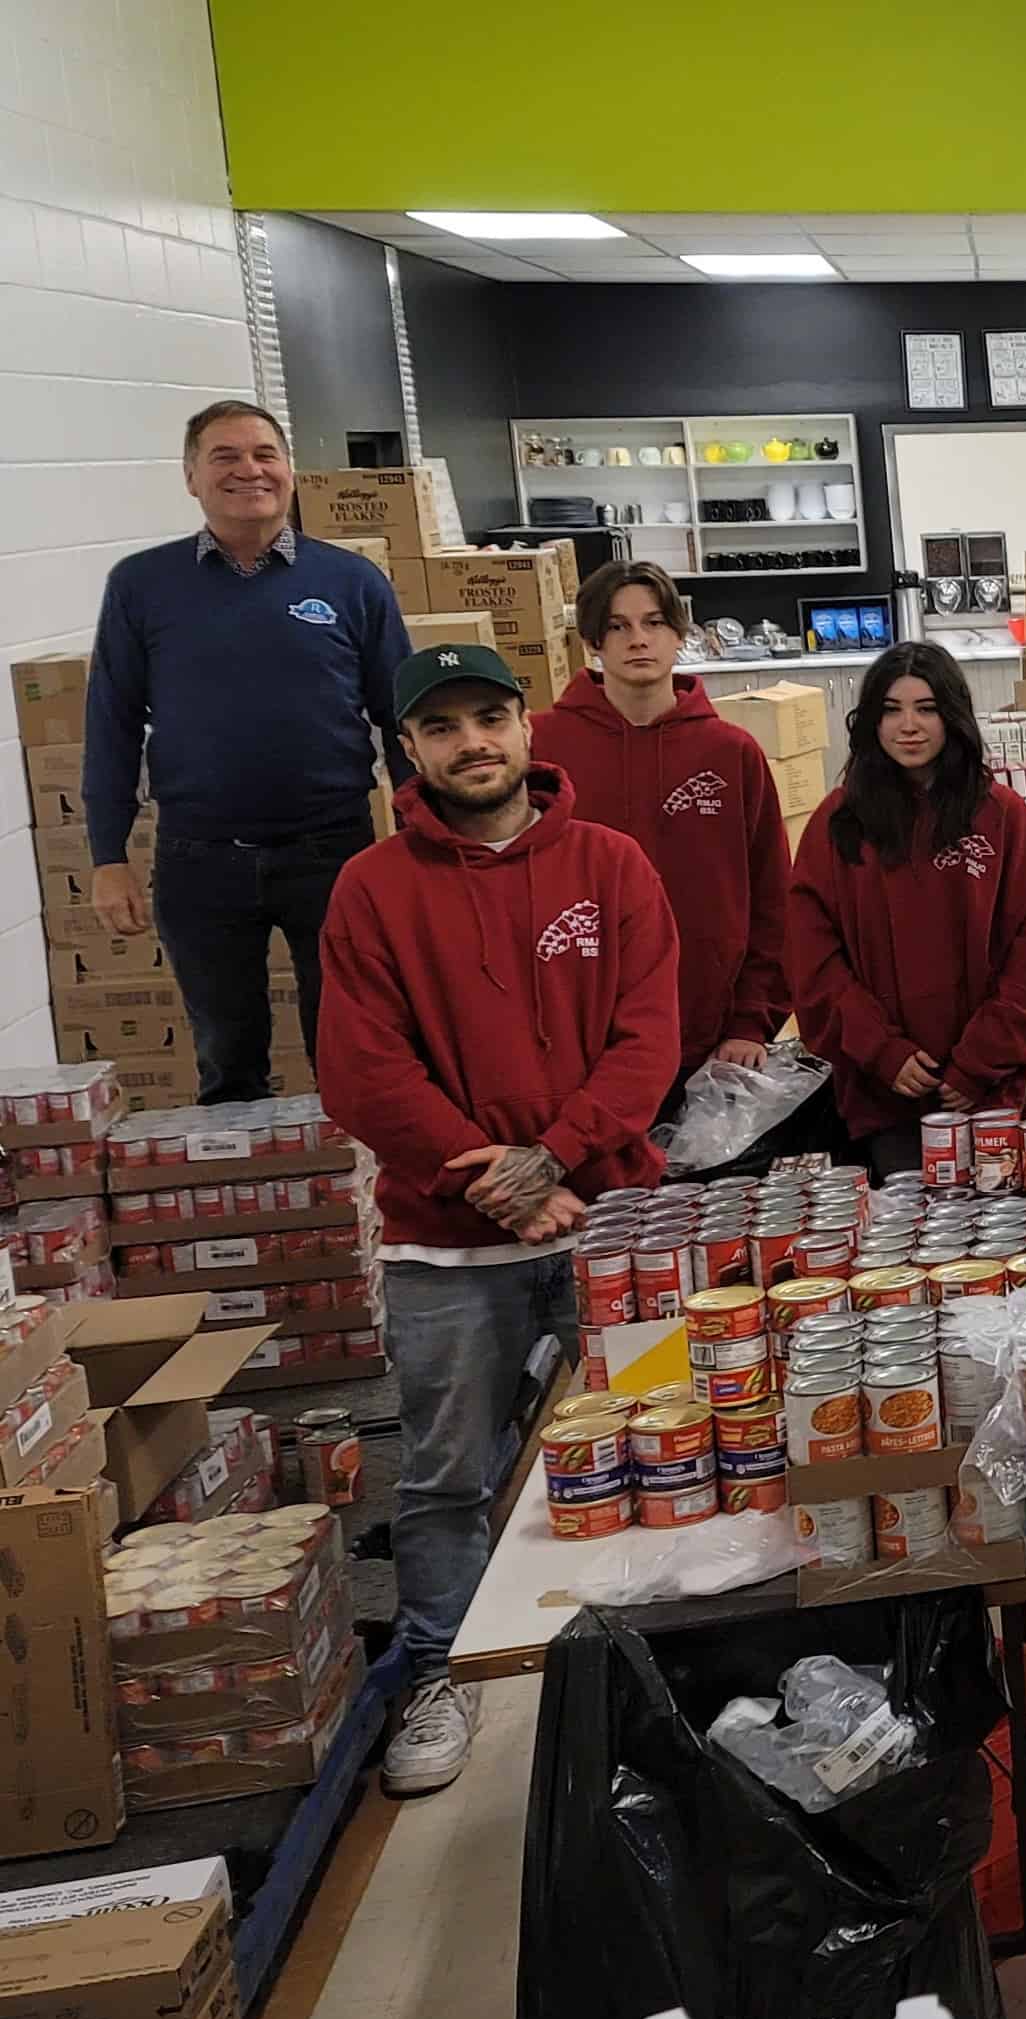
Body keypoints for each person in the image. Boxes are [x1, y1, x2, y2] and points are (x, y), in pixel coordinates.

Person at [316, 644, 681, 1794]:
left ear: (527, 727)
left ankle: (669, 1656)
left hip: (609, 1226)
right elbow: (364, 1069)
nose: (471, 742)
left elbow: (646, 1039)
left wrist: (554, 1154)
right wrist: (497, 1181)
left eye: (489, 716)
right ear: (408, 749)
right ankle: (444, 1667)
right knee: (445, 1473)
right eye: (443, 727)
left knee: (663, 1435)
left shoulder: (611, 865)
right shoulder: (371, 887)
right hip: (445, 1243)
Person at [86, 399, 411, 1103]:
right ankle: (247, 1174)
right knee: (227, 1059)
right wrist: (108, 856)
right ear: (191, 477)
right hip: (199, 858)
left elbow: (403, 719)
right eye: (224, 457)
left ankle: (356, 1175)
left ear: (290, 470)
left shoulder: (352, 582)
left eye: (265, 454)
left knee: (352, 1054)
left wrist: (426, 837)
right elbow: (112, 725)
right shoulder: (141, 586)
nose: (249, 470)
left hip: (335, 853)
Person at [787, 644, 1026, 1180]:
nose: (909, 726)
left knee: (1001, 1230)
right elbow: (812, 960)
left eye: (927, 708)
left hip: (989, 1097)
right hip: (882, 1099)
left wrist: (979, 1060)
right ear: (871, 721)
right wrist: (880, 1050)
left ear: (953, 716)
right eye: (891, 710)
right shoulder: (838, 824)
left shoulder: (1003, 819)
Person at [530, 561, 794, 1098]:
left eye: (653, 623)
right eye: (618, 626)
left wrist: (752, 1020)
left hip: (707, 1035)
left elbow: (773, 896)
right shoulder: (541, 747)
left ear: (678, 634)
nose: (638, 640)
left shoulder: (730, 752)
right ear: (592, 642)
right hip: (572, 1039)